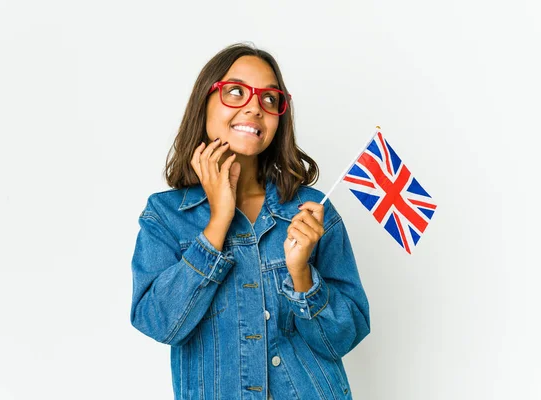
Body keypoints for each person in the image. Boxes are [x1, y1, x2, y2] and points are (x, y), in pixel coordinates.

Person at [130, 43, 370, 400]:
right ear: (204, 102)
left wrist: (302, 276)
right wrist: (217, 224)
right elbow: (158, 323)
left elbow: (343, 337)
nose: (255, 107)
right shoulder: (165, 217)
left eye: (269, 99)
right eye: (236, 92)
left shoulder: (311, 211)